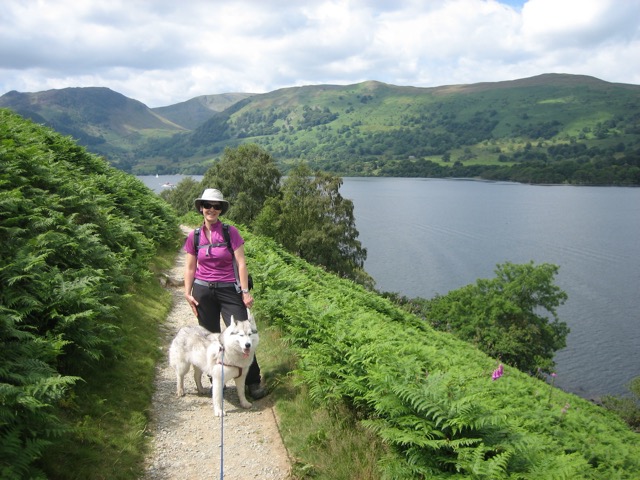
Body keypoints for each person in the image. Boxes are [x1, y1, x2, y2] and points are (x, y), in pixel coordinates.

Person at [183, 188, 267, 399]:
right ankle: (217, 380)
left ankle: (252, 381)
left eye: (216, 206)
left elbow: (241, 263)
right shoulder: (194, 236)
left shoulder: (231, 232)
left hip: (229, 289)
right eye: (207, 205)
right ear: (201, 208)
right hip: (203, 291)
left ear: (221, 209)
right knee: (210, 338)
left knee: (243, 333)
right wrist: (187, 293)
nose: (211, 209)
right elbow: (190, 267)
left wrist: (245, 292)